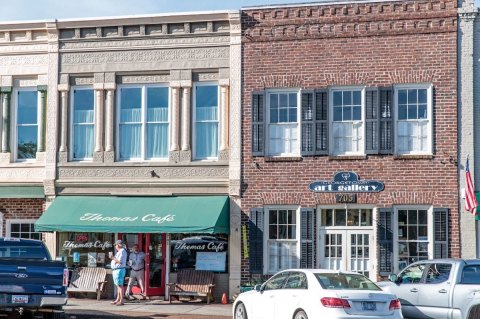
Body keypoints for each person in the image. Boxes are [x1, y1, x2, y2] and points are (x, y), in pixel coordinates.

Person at [110, 240, 127, 306]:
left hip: (119, 270)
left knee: (120, 286)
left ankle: (121, 300)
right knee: (118, 286)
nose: (115, 246)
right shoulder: (120, 251)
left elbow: (119, 261)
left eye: (116, 245)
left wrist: (113, 258)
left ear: (119, 245)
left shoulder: (122, 251)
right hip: (116, 270)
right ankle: (117, 299)